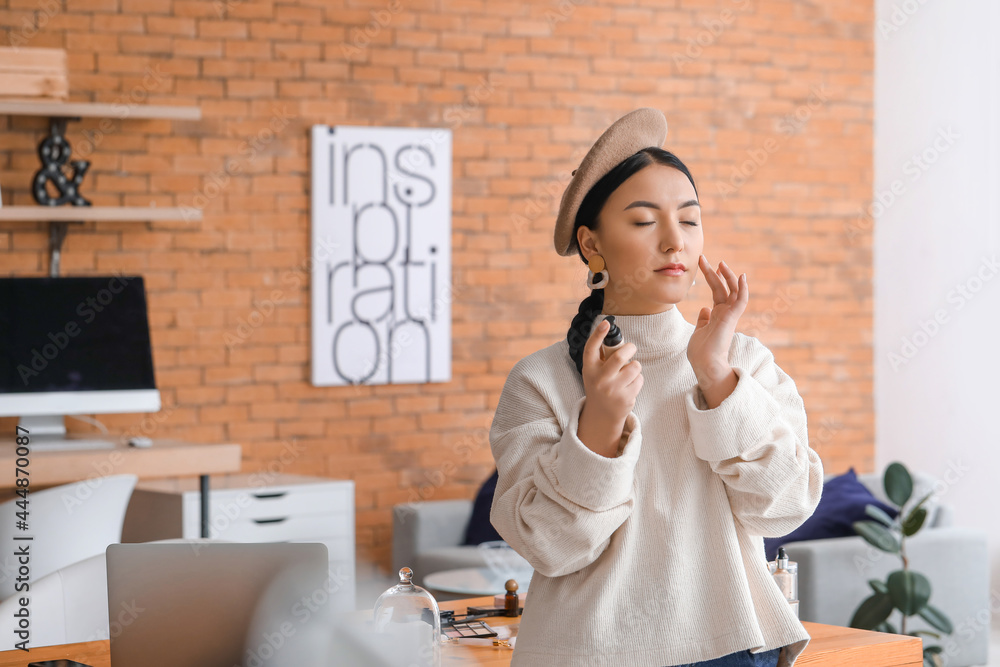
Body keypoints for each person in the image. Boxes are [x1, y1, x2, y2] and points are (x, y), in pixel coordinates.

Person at [488, 108, 824, 667]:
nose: (675, 241)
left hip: (731, 649)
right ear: (591, 245)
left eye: (690, 221)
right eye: (645, 222)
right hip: (585, 654)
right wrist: (597, 427)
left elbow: (784, 507)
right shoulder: (541, 380)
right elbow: (549, 547)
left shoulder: (744, 361)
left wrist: (717, 378)